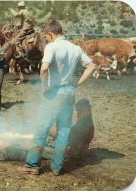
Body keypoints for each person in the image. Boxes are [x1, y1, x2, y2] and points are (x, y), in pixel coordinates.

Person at [18, 20, 96, 176]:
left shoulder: (52, 47)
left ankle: (32, 165)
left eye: (46, 37)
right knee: (63, 131)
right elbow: (91, 66)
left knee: (42, 129)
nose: (46, 40)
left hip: (54, 93)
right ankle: (57, 167)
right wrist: (77, 84)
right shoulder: (75, 48)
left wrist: (45, 87)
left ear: (50, 34)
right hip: (69, 93)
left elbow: (44, 68)